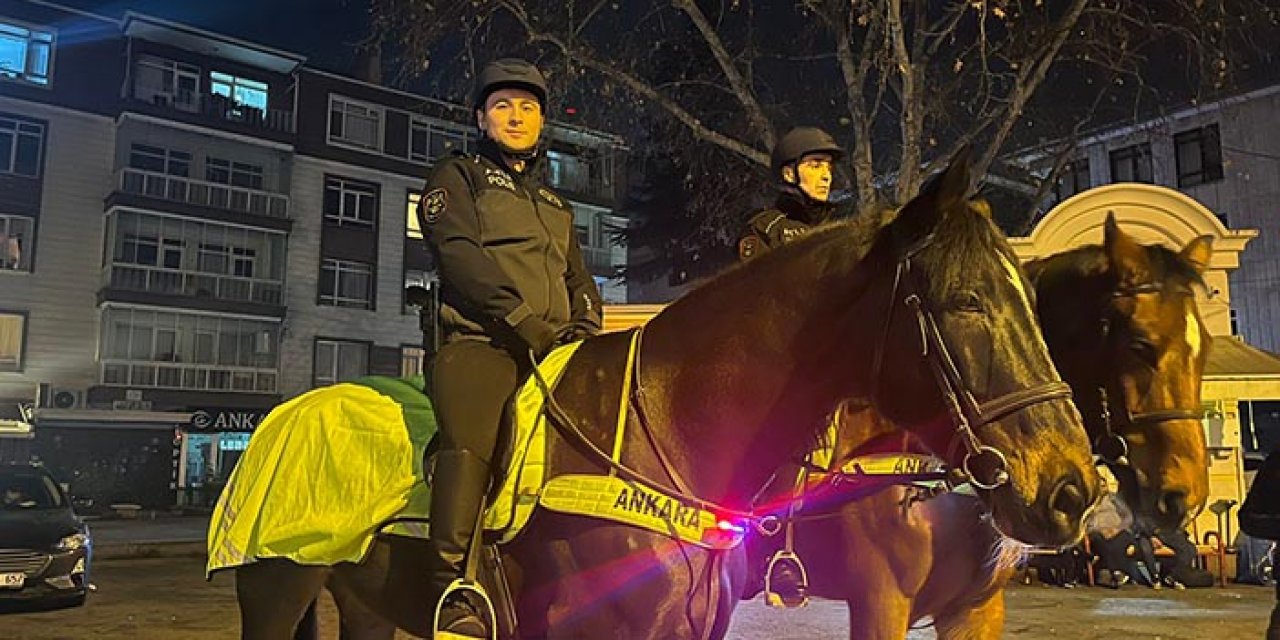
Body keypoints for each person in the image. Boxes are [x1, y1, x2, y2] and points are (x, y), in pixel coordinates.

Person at [418, 57, 603, 638]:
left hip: (555, 349)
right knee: (472, 438)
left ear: (542, 121)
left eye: (528, 107)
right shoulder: (457, 175)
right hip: (483, 343)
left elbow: (579, 279)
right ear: (482, 118)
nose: (516, 116)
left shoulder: (556, 204)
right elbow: (460, 256)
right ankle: (454, 586)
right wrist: (523, 322)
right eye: (503, 106)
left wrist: (586, 326)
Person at [738, 126, 845, 260]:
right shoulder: (765, 229)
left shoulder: (841, 229)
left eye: (829, 168)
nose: (827, 176)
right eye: (815, 166)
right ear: (789, 174)